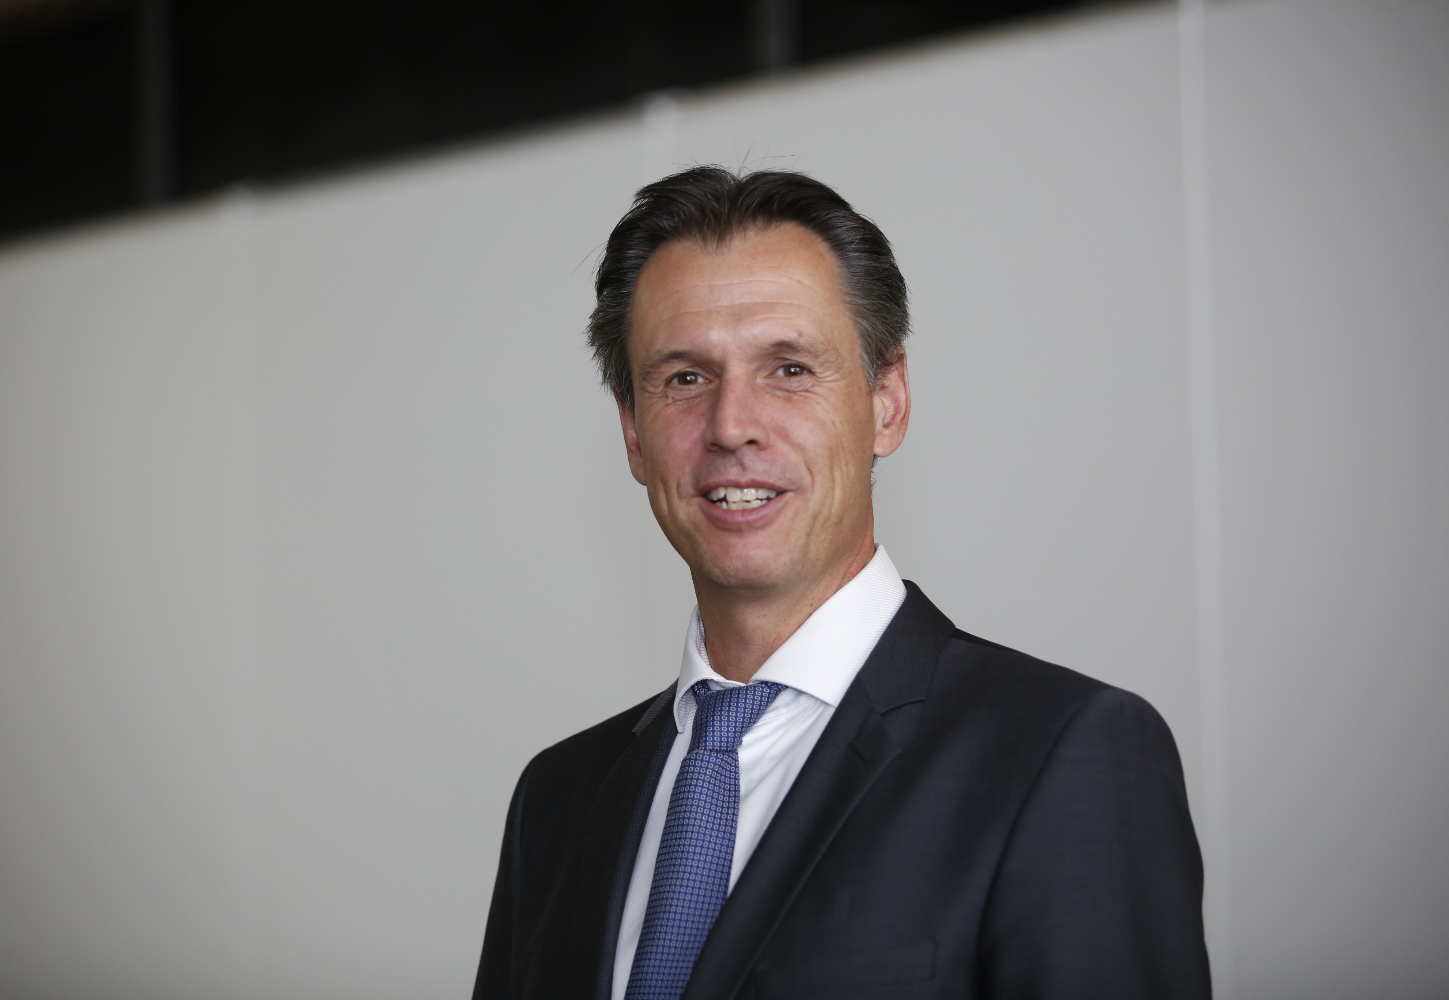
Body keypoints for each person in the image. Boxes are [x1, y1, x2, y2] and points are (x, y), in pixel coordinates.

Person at [472, 167, 1210, 1000]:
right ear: (633, 434)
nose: (731, 426)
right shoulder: (557, 802)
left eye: (789, 369)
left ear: (886, 403)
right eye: (685, 377)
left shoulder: (1060, 753)